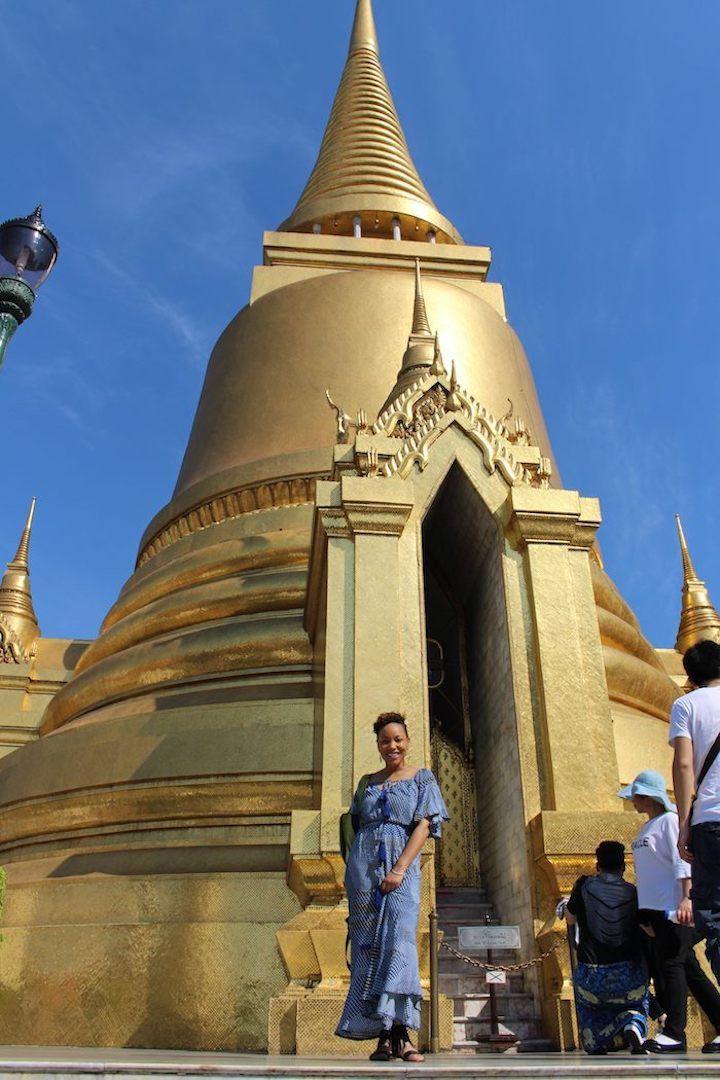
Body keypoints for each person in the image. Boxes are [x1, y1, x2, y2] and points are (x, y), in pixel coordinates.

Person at [336, 712, 449, 1062]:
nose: (392, 746)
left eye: (397, 739)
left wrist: (399, 868)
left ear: (408, 740)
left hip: (401, 866)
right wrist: (356, 870)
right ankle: (383, 1035)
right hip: (363, 871)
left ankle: (405, 1033)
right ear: (378, 744)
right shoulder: (367, 782)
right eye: (385, 740)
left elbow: (426, 824)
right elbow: (354, 824)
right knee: (368, 949)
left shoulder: (421, 778)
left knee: (400, 944)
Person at [620, 769, 720, 1054]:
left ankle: (675, 1032)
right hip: (656, 910)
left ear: (647, 796)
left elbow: (682, 860)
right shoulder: (647, 827)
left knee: (672, 965)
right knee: (690, 970)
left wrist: (687, 898)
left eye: (636, 796)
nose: (633, 802)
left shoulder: (670, 821)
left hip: (675, 907)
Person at [564, 840, 648, 1055]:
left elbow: (570, 917)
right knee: (637, 1001)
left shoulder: (583, 886)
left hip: (593, 979)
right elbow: (649, 930)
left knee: (591, 1008)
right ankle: (633, 1022)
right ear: (623, 867)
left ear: (597, 866)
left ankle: (598, 1037)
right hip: (630, 979)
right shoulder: (635, 893)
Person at [671, 639, 720, 995]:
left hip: (710, 820)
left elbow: (685, 764)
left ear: (689, 675)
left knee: (715, 915)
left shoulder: (685, 704)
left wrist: (683, 823)